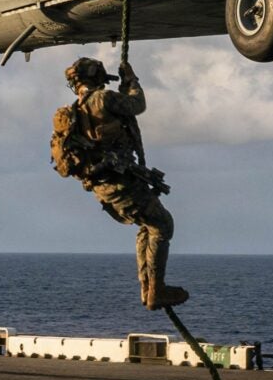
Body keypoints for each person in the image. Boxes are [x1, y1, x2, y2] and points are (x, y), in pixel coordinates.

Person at [51, 56, 187, 309]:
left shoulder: (76, 110)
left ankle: (148, 288)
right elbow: (138, 104)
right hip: (121, 183)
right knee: (162, 225)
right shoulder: (103, 99)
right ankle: (155, 289)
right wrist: (131, 80)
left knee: (147, 226)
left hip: (103, 187)